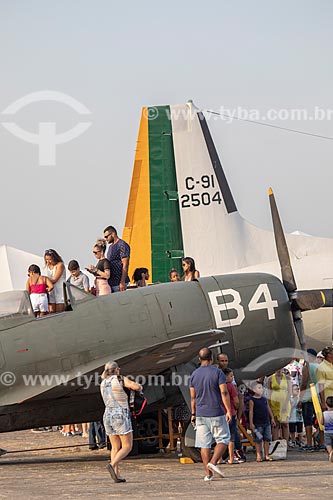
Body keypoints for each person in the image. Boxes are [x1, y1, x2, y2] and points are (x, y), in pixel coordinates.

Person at [189, 347, 231, 481]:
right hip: (216, 412)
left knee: (204, 444)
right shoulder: (218, 373)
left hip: (200, 414)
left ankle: (208, 474)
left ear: (199, 358)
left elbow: (193, 397)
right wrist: (228, 410)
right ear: (212, 358)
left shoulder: (194, 375)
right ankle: (213, 462)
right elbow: (224, 392)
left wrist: (193, 413)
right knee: (223, 439)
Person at [100, 360, 142, 483]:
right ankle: (112, 465)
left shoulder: (103, 382)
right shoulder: (120, 379)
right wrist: (139, 386)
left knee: (115, 447)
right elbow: (136, 387)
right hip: (120, 414)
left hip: (107, 414)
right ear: (117, 369)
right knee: (127, 446)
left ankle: (116, 474)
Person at [249, 381, 275, 462]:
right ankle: (259, 455)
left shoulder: (264, 399)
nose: (260, 390)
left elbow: (268, 408)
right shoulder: (252, 400)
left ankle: (267, 454)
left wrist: (272, 418)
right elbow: (251, 411)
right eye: (258, 388)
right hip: (257, 422)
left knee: (267, 439)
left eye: (261, 388)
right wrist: (251, 423)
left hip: (266, 421)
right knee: (258, 440)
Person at [298, 348, 319, 450]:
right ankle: (321, 442)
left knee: (308, 421)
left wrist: (300, 399)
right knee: (319, 420)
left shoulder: (307, 367)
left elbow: (304, 383)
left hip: (308, 397)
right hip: (318, 396)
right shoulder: (319, 366)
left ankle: (309, 444)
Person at [104, 226, 130, 292]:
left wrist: (122, 282)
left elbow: (125, 264)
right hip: (112, 282)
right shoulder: (110, 247)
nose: (106, 239)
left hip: (119, 282)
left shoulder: (122, 245)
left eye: (106, 236)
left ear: (113, 234)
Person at [268, 368, 291, 441]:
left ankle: (286, 444)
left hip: (285, 403)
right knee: (276, 424)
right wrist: (268, 404)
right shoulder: (270, 378)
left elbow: (290, 392)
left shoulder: (287, 378)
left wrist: (285, 404)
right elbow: (269, 392)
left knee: (285, 424)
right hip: (274, 403)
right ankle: (275, 444)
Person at [222, 368, 239, 464]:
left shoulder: (219, 386)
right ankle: (231, 458)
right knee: (231, 437)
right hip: (231, 413)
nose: (232, 378)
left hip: (220, 414)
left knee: (220, 437)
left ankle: (219, 458)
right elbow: (236, 401)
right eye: (231, 376)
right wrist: (236, 407)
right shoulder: (230, 386)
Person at [44, 249, 66, 313]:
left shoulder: (60, 265)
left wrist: (43, 279)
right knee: (51, 312)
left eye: (50, 259)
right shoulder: (48, 266)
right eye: (46, 260)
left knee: (59, 313)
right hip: (51, 291)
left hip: (60, 291)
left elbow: (54, 280)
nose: (48, 262)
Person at [317, 346, 333, 412]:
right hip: (328, 399)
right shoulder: (321, 367)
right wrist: (323, 403)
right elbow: (321, 386)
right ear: (329, 355)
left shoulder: (331, 365)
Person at [320, 396, 333, 462]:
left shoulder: (324, 413)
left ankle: (330, 453)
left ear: (326, 404)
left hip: (327, 431)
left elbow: (322, 422)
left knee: (328, 444)